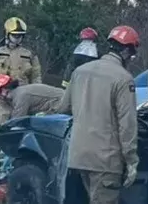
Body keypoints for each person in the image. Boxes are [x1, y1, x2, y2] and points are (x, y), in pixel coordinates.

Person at [55, 25, 139, 204]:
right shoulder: (123, 79)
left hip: (79, 156)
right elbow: (127, 125)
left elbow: (62, 107)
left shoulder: (79, 72)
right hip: (106, 160)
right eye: (131, 54)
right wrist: (131, 160)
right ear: (126, 52)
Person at [0, 17, 42, 135]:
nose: (18, 38)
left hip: (22, 97)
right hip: (0, 97)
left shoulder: (29, 54)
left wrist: (37, 93)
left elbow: (36, 76)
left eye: (20, 35)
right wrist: (0, 80)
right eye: (15, 35)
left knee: (19, 129)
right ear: (7, 34)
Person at [0, 74, 65, 119]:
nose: (0, 99)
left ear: (4, 90)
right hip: (62, 106)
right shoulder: (20, 92)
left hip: (63, 107)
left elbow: (16, 121)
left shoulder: (21, 96)